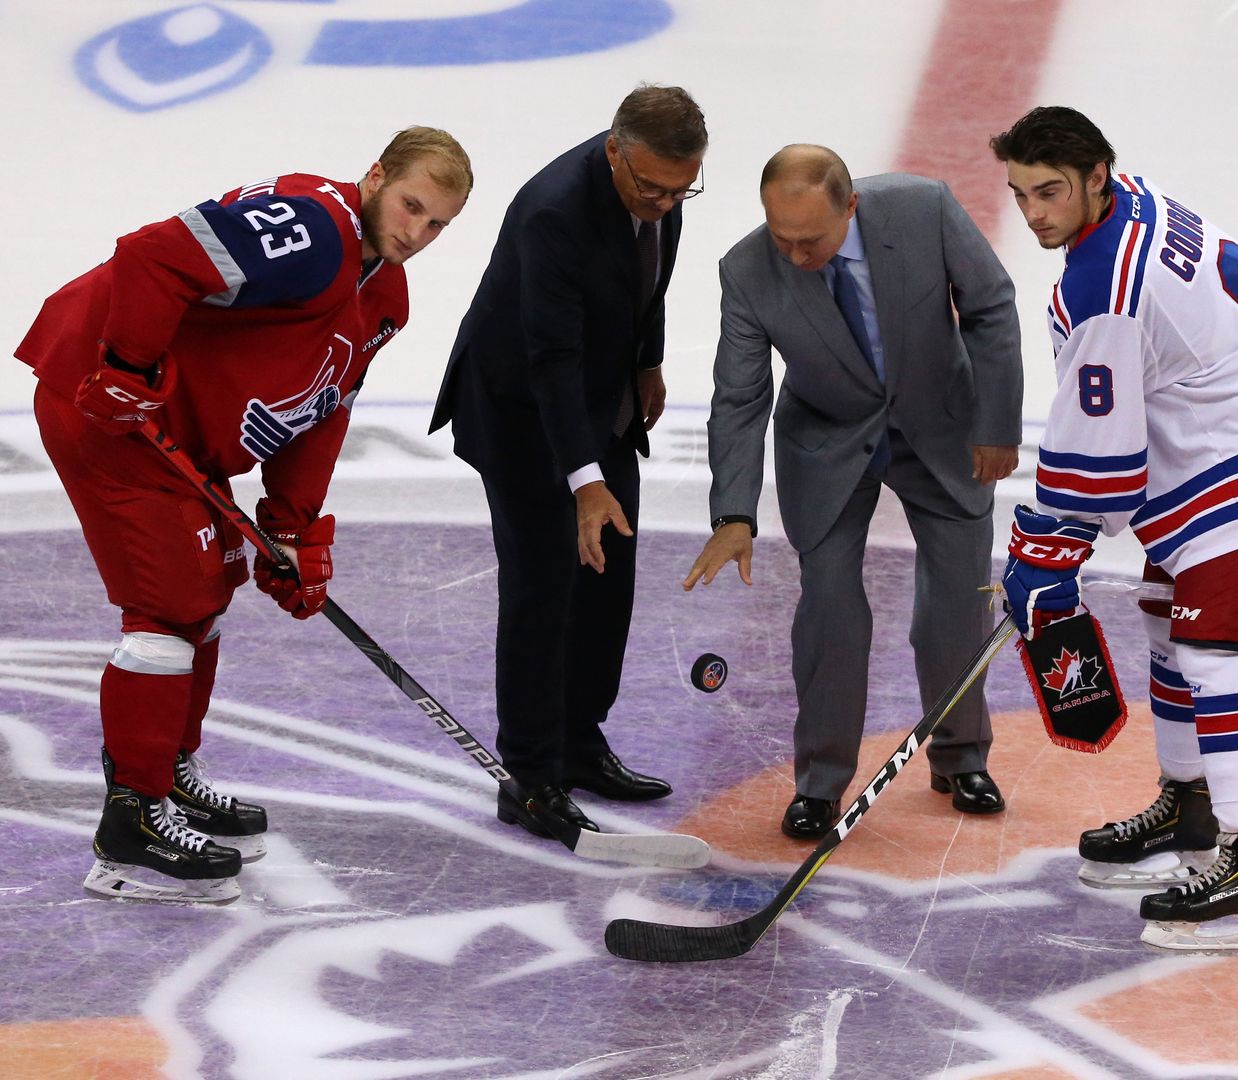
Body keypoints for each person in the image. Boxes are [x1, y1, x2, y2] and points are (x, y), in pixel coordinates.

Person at [15, 128, 473, 903]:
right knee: (167, 607)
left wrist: (293, 527)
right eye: (410, 206)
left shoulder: (383, 294)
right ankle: (131, 828)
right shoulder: (315, 229)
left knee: (210, 589)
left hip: (179, 434)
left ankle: (169, 777)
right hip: (105, 407)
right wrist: (126, 365)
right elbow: (152, 254)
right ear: (374, 178)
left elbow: (321, 409)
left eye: (437, 226)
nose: (416, 234)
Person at [990, 106, 1238, 950]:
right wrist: (1054, 541)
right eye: (1018, 195)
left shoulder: (1103, 284)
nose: (1033, 215)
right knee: (1168, 621)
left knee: (1216, 653)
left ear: (1096, 175)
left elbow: (1099, 463)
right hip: (1230, 434)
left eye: (1049, 192)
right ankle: (1189, 808)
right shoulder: (1126, 203)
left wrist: (1047, 551)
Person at [684, 145, 1023, 840]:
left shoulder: (923, 208)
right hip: (827, 443)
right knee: (831, 610)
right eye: (781, 237)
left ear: (851, 207)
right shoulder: (746, 272)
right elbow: (740, 398)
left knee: (956, 605)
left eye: (810, 239)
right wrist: (733, 513)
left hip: (943, 428)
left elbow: (989, 306)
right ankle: (819, 782)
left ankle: (960, 757)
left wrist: (995, 424)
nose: (795, 253)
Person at [429, 85, 707, 839]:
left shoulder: (660, 185)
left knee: (606, 574)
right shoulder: (553, 210)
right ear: (613, 150)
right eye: (649, 186)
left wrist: (645, 362)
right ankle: (529, 775)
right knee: (542, 585)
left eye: (680, 188)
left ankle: (580, 741)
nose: (663, 201)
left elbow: (647, 282)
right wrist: (583, 481)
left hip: (599, 398)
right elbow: (548, 357)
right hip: (522, 412)